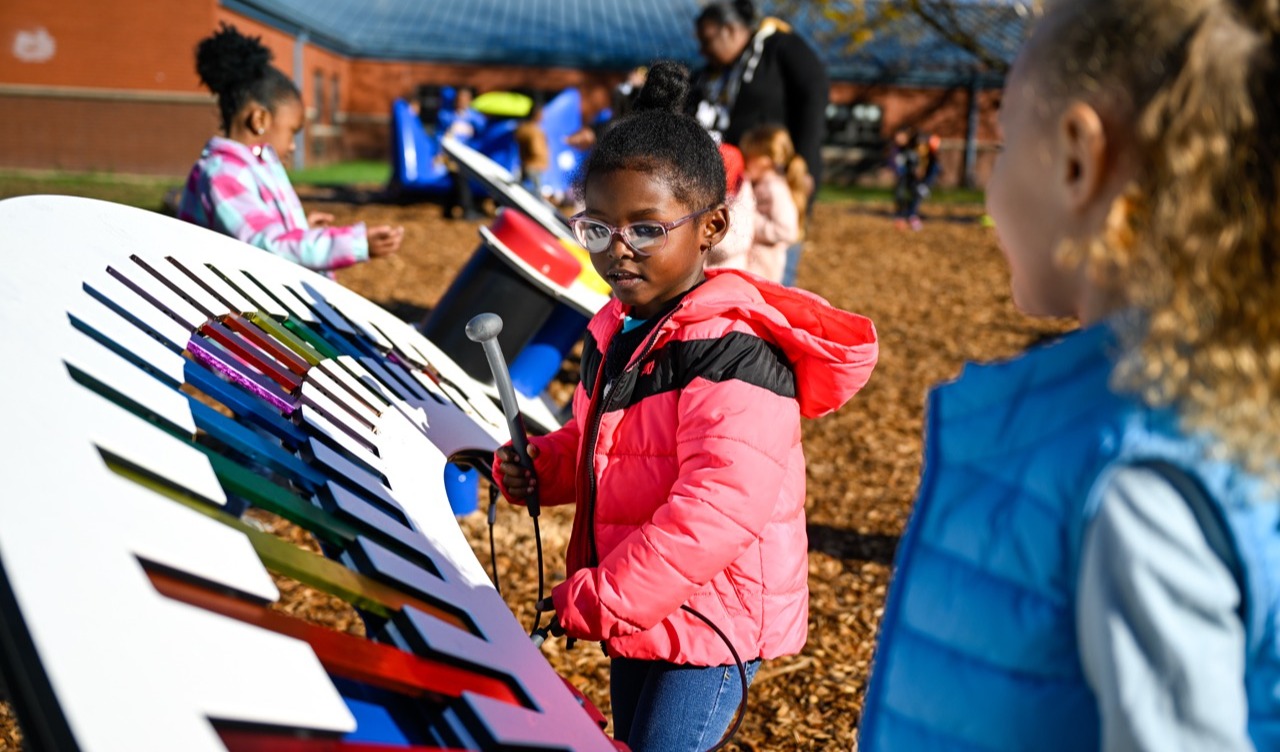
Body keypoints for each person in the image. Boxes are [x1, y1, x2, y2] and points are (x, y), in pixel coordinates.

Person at [859, 0, 1280, 750]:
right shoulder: (1230, 400)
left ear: (1078, 159)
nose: (991, 170)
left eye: (1002, 137)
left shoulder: (1131, 478)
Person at [493, 61, 878, 752]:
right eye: (597, 229)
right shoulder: (619, 327)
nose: (618, 251)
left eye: (646, 230)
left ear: (712, 227)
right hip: (644, 603)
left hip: (712, 615)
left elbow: (718, 508)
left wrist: (601, 597)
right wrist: (541, 468)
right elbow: (601, 443)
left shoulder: (733, 348)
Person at [178, 24, 401, 278]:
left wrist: (301, 229)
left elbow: (265, 229)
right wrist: (356, 244)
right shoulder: (222, 175)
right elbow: (267, 246)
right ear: (259, 120)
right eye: (292, 131)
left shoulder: (258, 165)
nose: (293, 145)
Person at [690, 0, 829, 285]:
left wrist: (805, 159)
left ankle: (770, 318)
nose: (702, 50)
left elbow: (814, 88)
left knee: (771, 268)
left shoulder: (777, 47)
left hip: (774, 178)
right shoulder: (713, 75)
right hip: (733, 185)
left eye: (707, 41)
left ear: (729, 30)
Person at [739, 124, 807, 283]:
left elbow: (787, 230)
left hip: (764, 273)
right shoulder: (763, 185)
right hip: (756, 271)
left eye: (749, 158)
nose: (745, 163)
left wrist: (750, 221)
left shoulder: (774, 188)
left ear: (765, 160)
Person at [704, 142, 756, 272]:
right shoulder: (708, 194)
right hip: (707, 272)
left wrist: (703, 241)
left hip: (728, 272)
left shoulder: (742, 203)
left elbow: (735, 244)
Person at [438, 86, 485, 220]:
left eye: (464, 98)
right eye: (459, 98)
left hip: (467, 155)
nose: (461, 101)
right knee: (459, 178)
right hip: (451, 156)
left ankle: (448, 209)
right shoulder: (446, 116)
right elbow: (440, 136)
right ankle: (467, 209)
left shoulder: (474, 118)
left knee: (459, 181)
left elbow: (480, 136)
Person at [888, 128, 941, 231]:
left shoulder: (925, 152)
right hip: (907, 177)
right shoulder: (903, 150)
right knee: (901, 195)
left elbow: (931, 167)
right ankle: (902, 216)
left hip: (919, 178)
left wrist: (925, 182)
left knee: (916, 194)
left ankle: (911, 215)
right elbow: (895, 161)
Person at [515, 100, 550, 199]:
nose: (543, 116)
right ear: (536, 114)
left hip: (530, 165)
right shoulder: (532, 130)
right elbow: (536, 149)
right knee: (535, 194)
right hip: (533, 165)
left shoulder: (526, 128)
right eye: (541, 114)